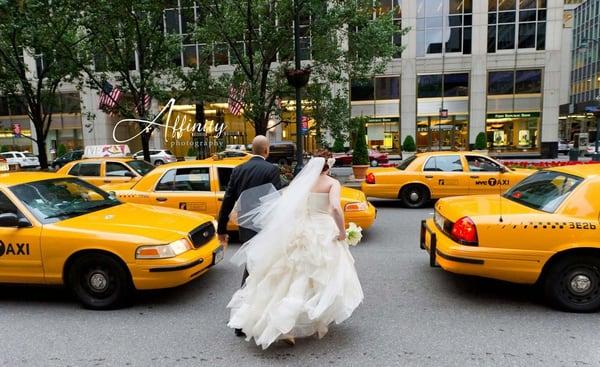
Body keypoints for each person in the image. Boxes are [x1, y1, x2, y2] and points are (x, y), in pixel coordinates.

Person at [226, 156, 363, 349]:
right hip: (323, 229)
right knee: (319, 277)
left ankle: (283, 325)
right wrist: (341, 232)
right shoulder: (332, 183)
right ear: (328, 167)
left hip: (302, 229)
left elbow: (290, 207)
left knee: (290, 277)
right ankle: (306, 317)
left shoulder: (304, 183)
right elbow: (335, 208)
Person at [217, 135, 282, 337]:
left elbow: (228, 200)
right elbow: (275, 201)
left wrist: (222, 229)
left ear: (253, 150)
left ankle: (245, 317)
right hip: (266, 228)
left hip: (246, 228)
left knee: (253, 268)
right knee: (263, 270)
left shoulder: (238, 170)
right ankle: (248, 318)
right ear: (266, 150)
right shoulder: (271, 170)